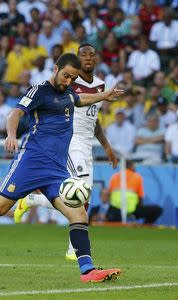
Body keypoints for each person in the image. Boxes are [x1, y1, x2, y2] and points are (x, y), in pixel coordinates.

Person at [0, 53, 123, 283]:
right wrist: (11, 134)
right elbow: (15, 113)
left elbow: (80, 101)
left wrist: (104, 96)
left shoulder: (69, 91)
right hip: (31, 162)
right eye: (66, 75)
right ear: (55, 68)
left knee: (79, 213)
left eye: (73, 78)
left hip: (57, 169)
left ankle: (88, 271)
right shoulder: (40, 90)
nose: (68, 81)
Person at [13, 44, 118, 261]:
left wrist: (106, 146)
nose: (88, 58)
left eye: (91, 54)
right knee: (79, 188)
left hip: (87, 144)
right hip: (70, 141)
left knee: (84, 193)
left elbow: (93, 118)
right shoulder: (67, 81)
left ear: (96, 59)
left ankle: (33, 199)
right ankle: (74, 249)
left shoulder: (100, 85)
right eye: (83, 55)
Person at [107, 160, 162, 224]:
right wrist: (140, 209)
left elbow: (110, 195)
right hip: (132, 210)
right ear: (130, 166)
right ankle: (145, 227)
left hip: (115, 210)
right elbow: (140, 197)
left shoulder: (114, 177)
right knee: (158, 210)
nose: (135, 167)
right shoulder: (137, 177)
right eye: (134, 166)